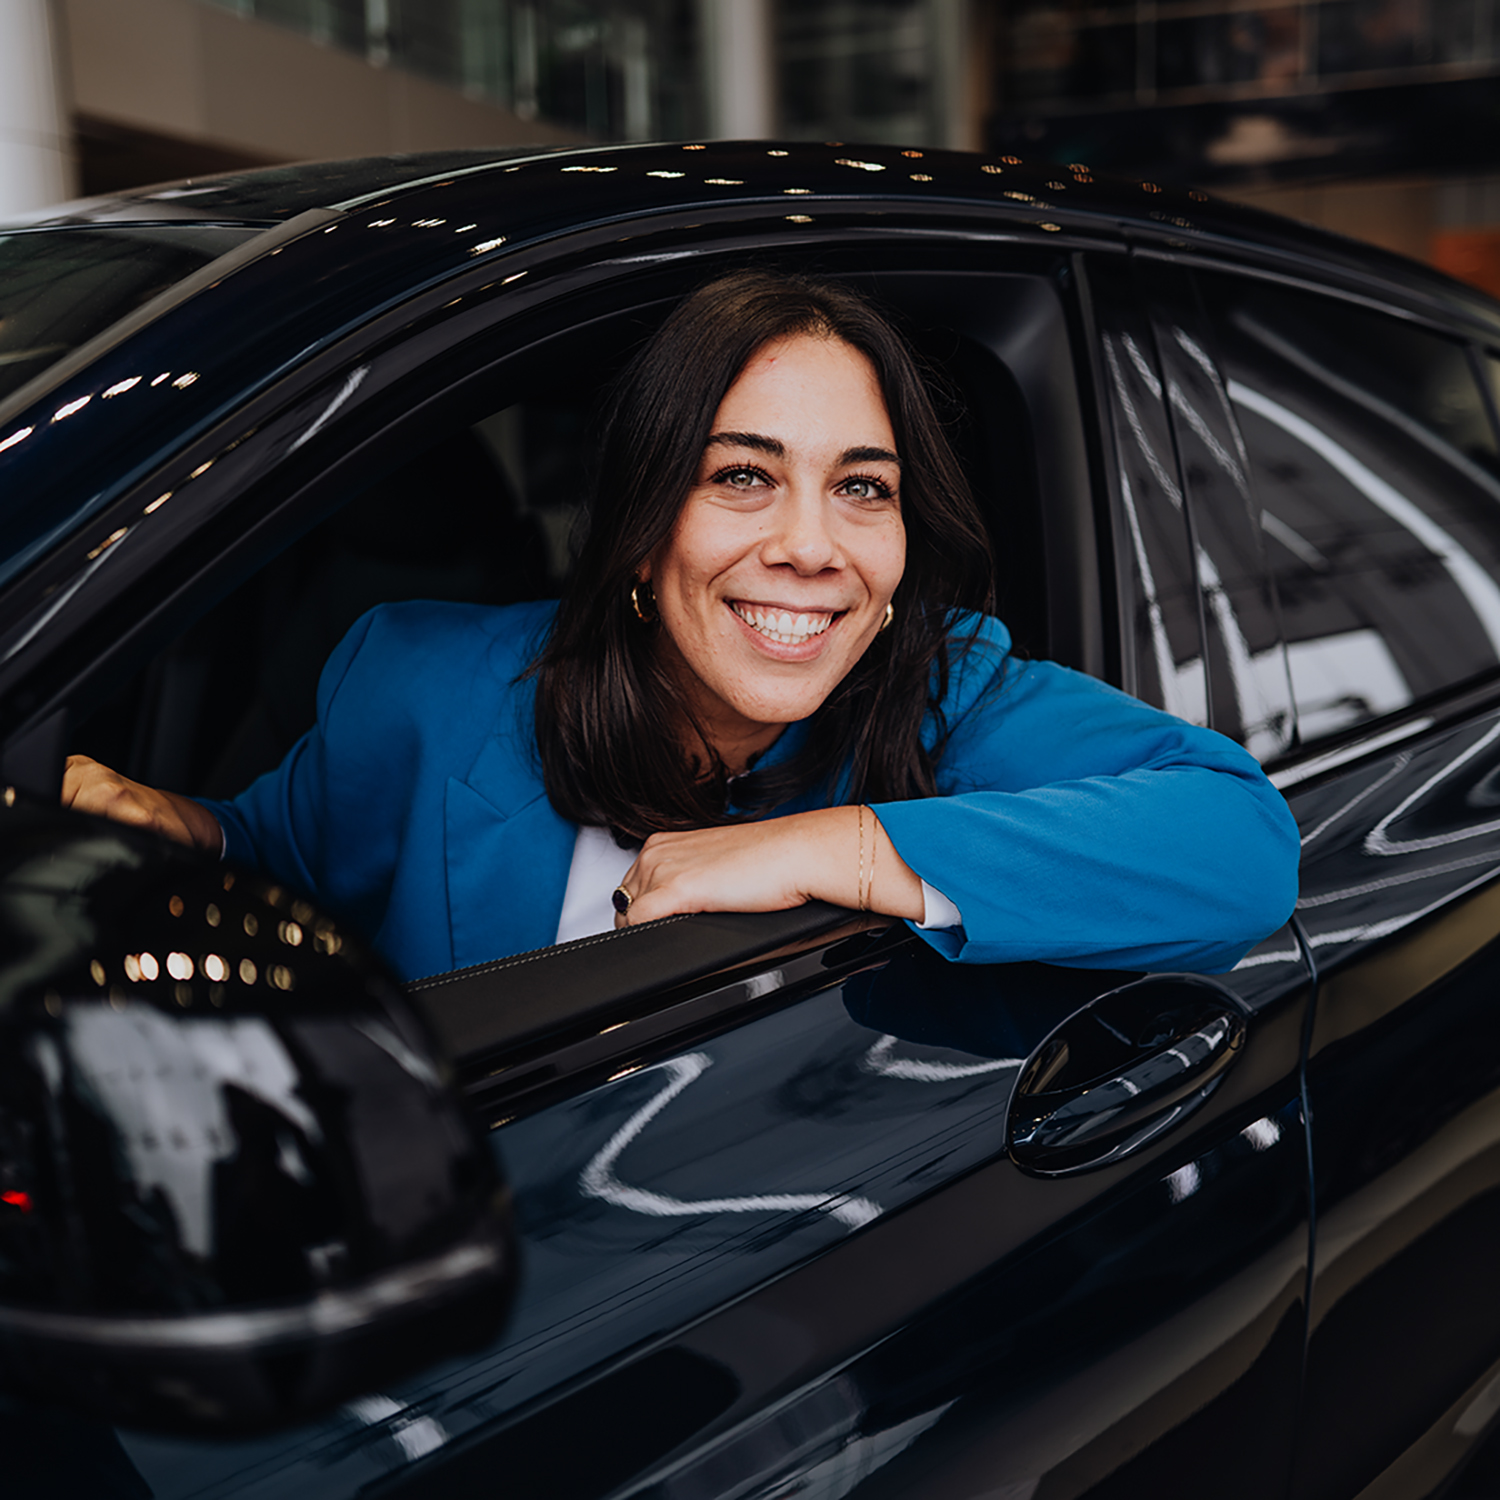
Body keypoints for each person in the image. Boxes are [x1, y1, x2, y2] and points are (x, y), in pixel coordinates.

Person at [63, 270, 1300, 983]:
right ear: (641, 533)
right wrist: (182, 830)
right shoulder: (421, 683)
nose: (814, 545)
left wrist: (836, 848)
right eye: (742, 476)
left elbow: (1244, 839)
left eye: (864, 487)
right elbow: (283, 854)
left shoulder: (944, 690)